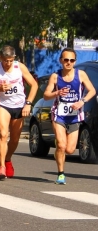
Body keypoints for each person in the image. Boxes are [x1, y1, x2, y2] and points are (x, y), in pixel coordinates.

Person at [43, 48, 96, 184]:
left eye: (71, 60)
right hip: (59, 114)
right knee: (61, 145)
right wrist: (57, 93)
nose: (68, 63)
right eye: (66, 60)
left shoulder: (81, 74)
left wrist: (82, 101)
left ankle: (59, 150)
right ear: (61, 60)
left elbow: (92, 91)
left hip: (74, 116)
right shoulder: (55, 76)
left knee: (70, 149)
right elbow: (46, 95)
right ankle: (61, 174)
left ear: (75, 61)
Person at [0, 45, 38, 180]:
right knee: (3, 134)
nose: (8, 63)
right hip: (3, 105)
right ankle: (1, 167)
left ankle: (8, 159)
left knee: (14, 139)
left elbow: (34, 85)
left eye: (10, 60)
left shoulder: (20, 67)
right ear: (1, 58)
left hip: (20, 106)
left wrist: (28, 104)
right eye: (5, 60)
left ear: (14, 58)